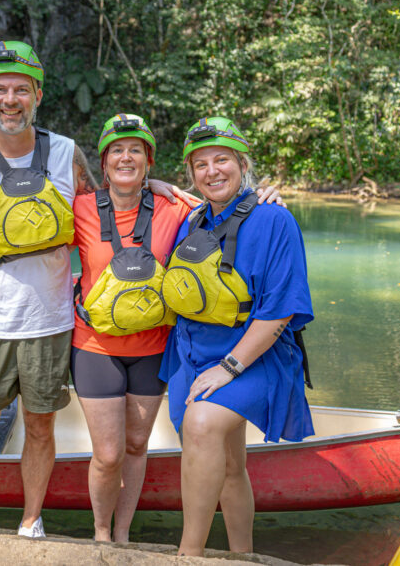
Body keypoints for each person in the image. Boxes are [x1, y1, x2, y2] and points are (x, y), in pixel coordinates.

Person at [0, 41, 198, 538]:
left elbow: (108, 208)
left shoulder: (65, 154)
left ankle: (31, 520)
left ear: (37, 95)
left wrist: (157, 185)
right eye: (0, 89)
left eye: (21, 89)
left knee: (40, 425)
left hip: (53, 320)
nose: (10, 99)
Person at [72, 113, 284, 543]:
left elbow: (228, 207)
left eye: (136, 150)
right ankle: (100, 535)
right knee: (108, 454)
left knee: (136, 446)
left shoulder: (179, 209)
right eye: (117, 150)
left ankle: (126, 536)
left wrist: (266, 197)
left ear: (150, 161)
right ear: (104, 160)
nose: (125, 157)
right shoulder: (80, 208)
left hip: (155, 347)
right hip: (95, 344)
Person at [159, 116, 314, 556]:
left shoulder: (273, 220)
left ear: (243, 164)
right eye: (200, 164)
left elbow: (279, 312)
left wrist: (229, 369)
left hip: (256, 357)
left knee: (203, 423)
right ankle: (242, 556)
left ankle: (188, 555)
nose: (212, 171)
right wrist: (153, 184)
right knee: (229, 463)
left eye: (222, 159)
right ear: (190, 174)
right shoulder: (192, 221)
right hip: (193, 353)